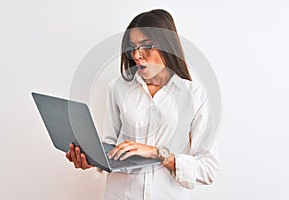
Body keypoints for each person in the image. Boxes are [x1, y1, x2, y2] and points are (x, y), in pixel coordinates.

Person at [66, 9, 219, 199]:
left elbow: (208, 169)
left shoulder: (194, 95)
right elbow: (110, 145)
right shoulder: (118, 87)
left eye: (147, 46)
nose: (137, 55)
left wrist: (158, 153)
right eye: (132, 48)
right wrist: (92, 160)